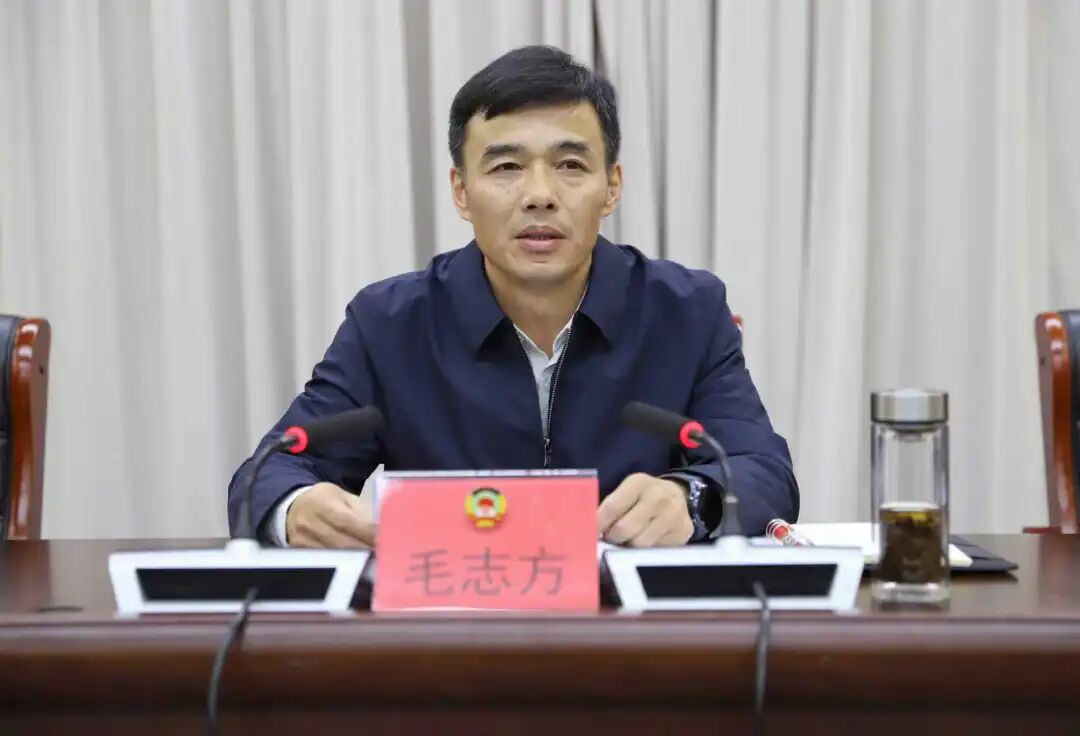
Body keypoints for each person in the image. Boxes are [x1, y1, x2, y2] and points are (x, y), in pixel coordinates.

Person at [227, 45, 798, 549]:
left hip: (631, 625)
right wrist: (296, 510)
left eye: (570, 165)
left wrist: (692, 499)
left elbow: (763, 471)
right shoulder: (391, 324)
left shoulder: (685, 312)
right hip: (454, 622)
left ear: (611, 187)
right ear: (461, 190)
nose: (539, 195)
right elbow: (267, 476)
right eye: (506, 167)